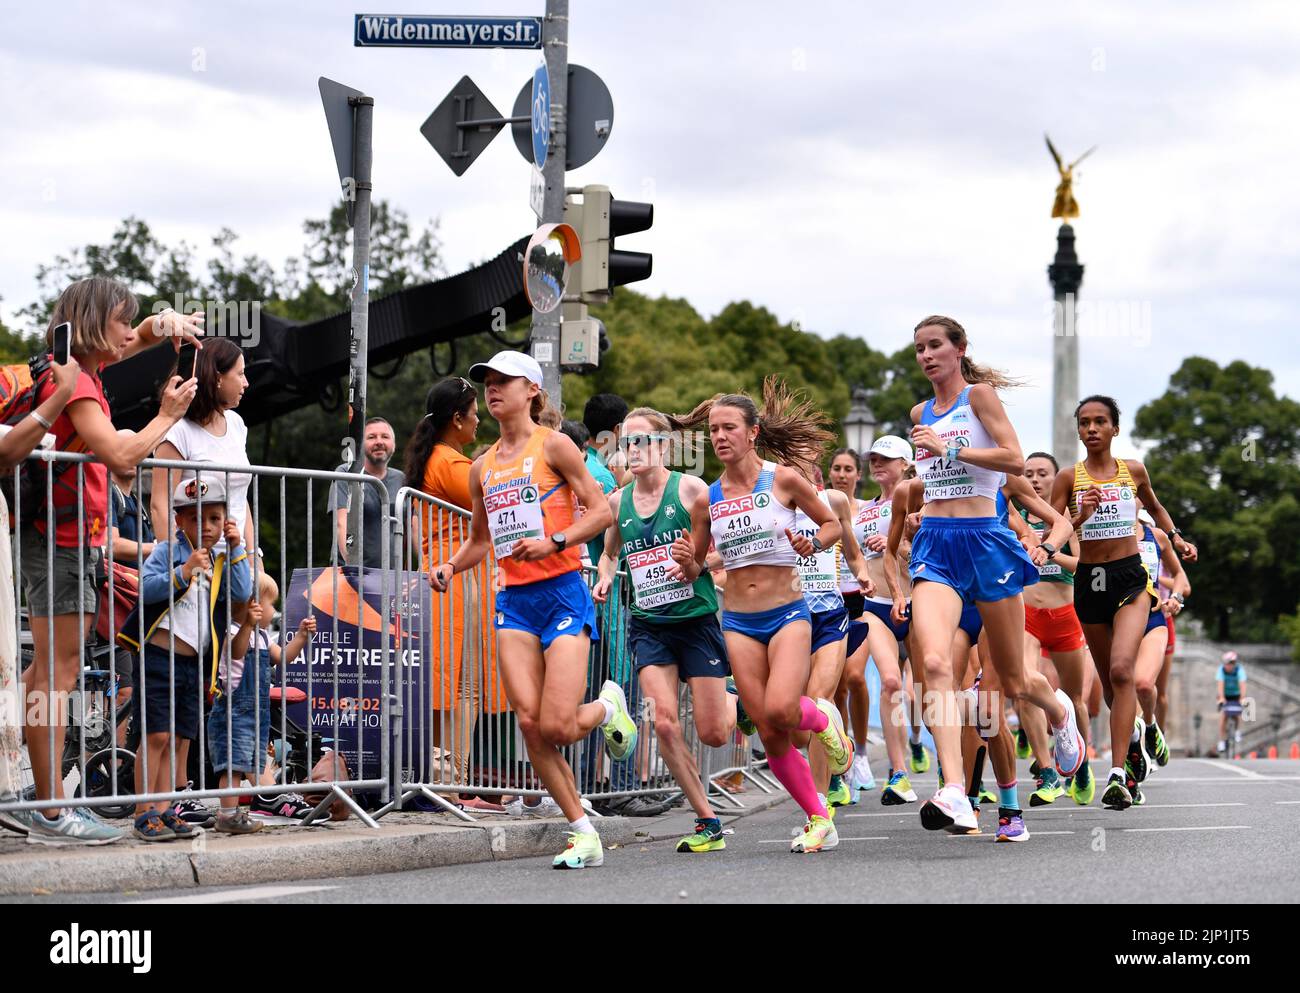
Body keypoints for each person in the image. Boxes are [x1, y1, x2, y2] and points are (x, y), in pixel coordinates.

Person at [430, 351, 635, 870]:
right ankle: (582, 831)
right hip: (514, 603)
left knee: (559, 725)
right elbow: (480, 540)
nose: (493, 389)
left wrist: (555, 541)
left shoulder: (556, 445)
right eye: (488, 382)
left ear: (532, 391)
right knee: (530, 723)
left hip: (563, 591)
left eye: (505, 381)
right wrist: (450, 566)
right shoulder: (481, 467)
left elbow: (602, 511)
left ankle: (608, 708)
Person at [21, 277, 200, 847]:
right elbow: (121, 454)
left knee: (49, 672)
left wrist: (162, 325)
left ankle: (41, 799)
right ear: (95, 323)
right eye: (121, 319)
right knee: (56, 674)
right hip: (61, 540)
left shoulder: (83, 370)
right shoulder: (74, 381)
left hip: (67, 539)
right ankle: (51, 811)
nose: (129, 332)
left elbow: (138, 338)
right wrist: (168, 415)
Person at [904, 315, 1083, 833]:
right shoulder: (919, 412)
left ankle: (1059, 712)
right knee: (934, 663)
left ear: (959, 349)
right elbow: (934, 477)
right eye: (919, 348)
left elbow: (1014, 458)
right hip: (936, 546)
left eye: (935, 346)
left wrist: (949, 449)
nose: (926, 356)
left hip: (985, 542)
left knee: (1015, 680)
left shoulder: (978, 397)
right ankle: (954, 789)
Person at [670, 377, 852, 854]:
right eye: (713, 430)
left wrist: (812, 543)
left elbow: (832, 525)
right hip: (738, 622)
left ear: (752, 432)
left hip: (788, 612)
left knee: (781, 711)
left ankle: (823, 719)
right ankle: (819, 819)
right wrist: (686, 561)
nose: (719, 436)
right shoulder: (707, 499)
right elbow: (697, 568)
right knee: (770, 734)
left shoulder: (783, 479)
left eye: (729, 427)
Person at [593, 407, 741, 852]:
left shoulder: (692, 490)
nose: (632, 450)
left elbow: (726, 547)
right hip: (650, 625)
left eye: (641, 441)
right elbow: (609, 554)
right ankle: (707, 820)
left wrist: (696, 564)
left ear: (664, 446)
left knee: (714, 733)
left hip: (695, 621)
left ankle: (737, 697)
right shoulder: (617, 503)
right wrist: (605, 577)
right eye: (626, 443)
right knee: (664, 724)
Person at [1050, 395, 1196, 810]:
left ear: (1115, 428)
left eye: (1100, 421)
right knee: (1114, 691)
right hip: (1090, 580)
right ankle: (1133, 742)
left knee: (1121, 671)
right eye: (1084, 423)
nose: (1091, 429)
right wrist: (1079, 518)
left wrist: (1177, 538)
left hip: (1130, 577)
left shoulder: (1133, 470)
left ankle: (1116, 774)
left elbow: (1156, 507)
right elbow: (1054, 529)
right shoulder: (1068, 478)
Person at [118, 477, 253, 841]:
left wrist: (236, 547)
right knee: (156, 736)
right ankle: (143, 811)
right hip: (160, 657)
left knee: (177, 739)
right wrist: (183, 570)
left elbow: (242, 592)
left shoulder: (221, 560)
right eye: (195, 518)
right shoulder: (168, 551)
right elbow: (146, 589)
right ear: (179, 521)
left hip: (194, 665)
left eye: (214, 519)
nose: (205, 526)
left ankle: (164, 810)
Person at [405, 377, 505, 802]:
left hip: (447, 574)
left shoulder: (438, 458)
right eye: (474, 413)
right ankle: (452, 785)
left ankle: (444, 780)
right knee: (463, 685)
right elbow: (498, 495)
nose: (479, 420)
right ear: (457, 419)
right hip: (460, 578)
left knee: (447, 683)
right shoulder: (450, 463)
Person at [0, 353, 81, 839]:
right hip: (49, 543)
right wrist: (62, 395)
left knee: (32, 668)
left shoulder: (11, 380)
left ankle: (28, 795)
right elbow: (6, 453)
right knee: (51, 672)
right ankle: (48, 806)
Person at [839, 437, 921, 806]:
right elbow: (851, 554)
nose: (877, 464)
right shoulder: (864, 509)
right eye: (873, 459)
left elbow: (923, 548)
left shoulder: (918, 500)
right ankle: (899, 773)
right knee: (890, 683)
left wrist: (894, 544)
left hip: (918, 602)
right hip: (874, 606)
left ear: (905, 463)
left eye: (885, 459)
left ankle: (950, 769)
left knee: (925, 693)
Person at [790, 465, 872, 812]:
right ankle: (839, 741)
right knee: (796, 725)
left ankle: (820, 806)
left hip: (829, 615)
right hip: (789, 619)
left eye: (806, 475)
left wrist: (863, 575)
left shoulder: (833, 501)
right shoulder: (770, 506)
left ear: (817, 480)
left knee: (819, 701)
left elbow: (852, 553)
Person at [210, 573, 317, 833]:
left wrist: (301, 637)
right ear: (252, 606)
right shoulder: (232, 632)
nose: (274, 611)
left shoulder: (262, 637)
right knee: (233, 767)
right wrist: (248, 624)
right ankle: (227, 814)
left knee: (253, 761)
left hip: (256, 712)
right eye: (271, 605)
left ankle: (264, 801)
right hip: (233, 712)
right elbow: (236, 652)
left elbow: (284, 658)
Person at [1134, 506, 1188, 781]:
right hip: (1120, 617)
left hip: (1159, 617)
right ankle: (1136, 750)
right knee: (1129, 686)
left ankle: (1157, 733)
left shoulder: (1157, 540)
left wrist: (1174, 598)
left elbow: (1183, 583)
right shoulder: (1107, 536)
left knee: (1155, 689)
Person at [328, 417, 406, 570]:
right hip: (350, 573)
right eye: (371, 437)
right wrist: (352, 566)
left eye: (385, 436)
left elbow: (413, 529)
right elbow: (341, 523)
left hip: (392, 576)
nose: (379, 441)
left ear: (394, 445)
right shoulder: (346, 472)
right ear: (360, 445)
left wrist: (424, 566)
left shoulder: (402, 479)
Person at [1216, 651, 1246, 754]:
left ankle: (1237, 730)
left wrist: (1242, 698)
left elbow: (1242, 685)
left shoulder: (1239, 670)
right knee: (1223, 716)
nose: (1229, 666)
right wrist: (1222, 698)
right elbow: (1220, 684)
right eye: (1228, 663)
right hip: (1225, 694)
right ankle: (1221, 741)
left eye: (1232, 663)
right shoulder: (1221, 670)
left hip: (1236, 694)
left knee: (1237, 713)